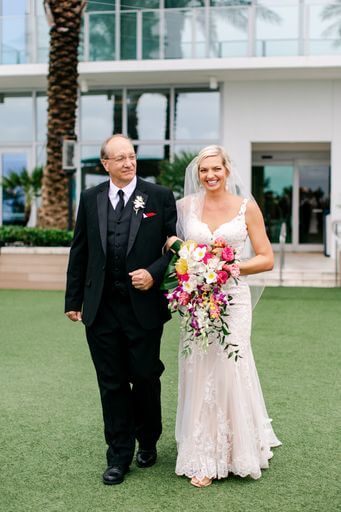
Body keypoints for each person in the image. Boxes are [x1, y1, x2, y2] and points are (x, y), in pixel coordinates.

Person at [166, 145, 281, 488]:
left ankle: (239, 449)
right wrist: (183, 254)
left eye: (216, 168)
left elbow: (266, 258)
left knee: (232, 365)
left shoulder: (247, 208)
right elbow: (175, 247)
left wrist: (228, 267)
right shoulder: (185, 207)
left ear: (227, 169)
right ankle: (203, 455)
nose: (210, 175)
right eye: (204, 170)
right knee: (199, 366)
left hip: (233, 299)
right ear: (197, 174)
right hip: (198, 299)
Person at [65, 134, 177, 485]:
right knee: (111, 383)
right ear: (105, 164)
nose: (129, 163)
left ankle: (148, 439)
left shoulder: (158, 196)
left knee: (144, 376)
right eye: (120, 158)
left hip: (142, 308)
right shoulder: (90, 198)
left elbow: (173, 246)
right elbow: (79, 250)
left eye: (132, 156)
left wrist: (154, 273)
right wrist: (73, 301)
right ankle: (118, 455)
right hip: (100, 308)